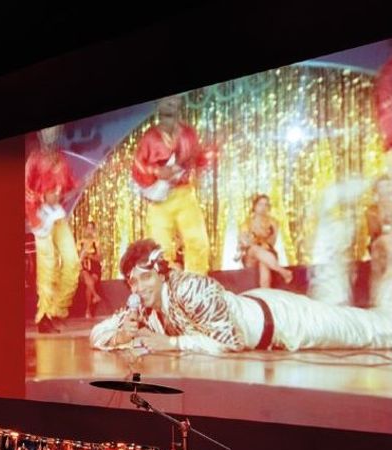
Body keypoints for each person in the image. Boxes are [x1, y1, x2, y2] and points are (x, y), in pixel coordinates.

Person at [89, 237, 392, 354]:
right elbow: (97, 334)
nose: (138, 288)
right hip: (263, 323)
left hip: (284, 319)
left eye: (145, 278)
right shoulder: (143, 308)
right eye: (132, 282)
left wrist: (171, 343)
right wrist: (119, 335)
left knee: (368, 330)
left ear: (161, 273)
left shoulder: (191, 288)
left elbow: (230, 342)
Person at [131, 95, 212, 275]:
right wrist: (156, 171)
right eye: (166, 99)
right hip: (160, 200)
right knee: (159, 249)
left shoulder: (188, 134)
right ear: (158, 105)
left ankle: (197, 285)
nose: (171, 102)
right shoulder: (150, 137)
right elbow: (137, 166)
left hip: (184, 194)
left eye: (175, 99)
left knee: (197, 241)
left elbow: (198, 158)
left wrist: (211, 151)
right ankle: (165, 288)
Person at [26, 125, 79, 333]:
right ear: (40, 134)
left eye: (54, 130)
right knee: (48, 266)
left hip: (57, 215)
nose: (51, 133)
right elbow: (25, 190)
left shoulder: (62, 160)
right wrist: (42, 198)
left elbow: (67, 188)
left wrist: (76, 186)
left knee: (72, 261)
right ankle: (44, 316)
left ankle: (56, 310)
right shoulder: (34, 160)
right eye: (47, 130)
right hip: (41, 218)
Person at [238, 194, 293, 287]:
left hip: (268, 253)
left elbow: (272, 243)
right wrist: (252, 242)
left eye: (266, 205)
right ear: (254, 206)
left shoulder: (273, 222)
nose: (263, 207)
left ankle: (265, 292)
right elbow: (244, 243)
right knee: (254, 249)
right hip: (250, 256)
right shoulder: (246, 223)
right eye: (260, 204)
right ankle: (282, 271)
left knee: (264, 263)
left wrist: (263, 244)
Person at [366, 175, 392, 284]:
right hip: (380, 245)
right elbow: (376, 231)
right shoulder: (372, 211)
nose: (387, 189)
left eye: (388, 186)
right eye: (383, 187)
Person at [76, 220, 104, 317]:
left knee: (90, 283)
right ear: (85, 229)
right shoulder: (80, 242)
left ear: (94, 230)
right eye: (88, 228)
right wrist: (83, 253)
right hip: (83, 268)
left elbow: (100, 258)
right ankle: (95, 295)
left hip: (94, 268)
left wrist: (89, 255)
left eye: (91, 228)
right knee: (84, 274)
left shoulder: (96, 242)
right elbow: (77, 259)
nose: (89, 230)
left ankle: (88, 310)